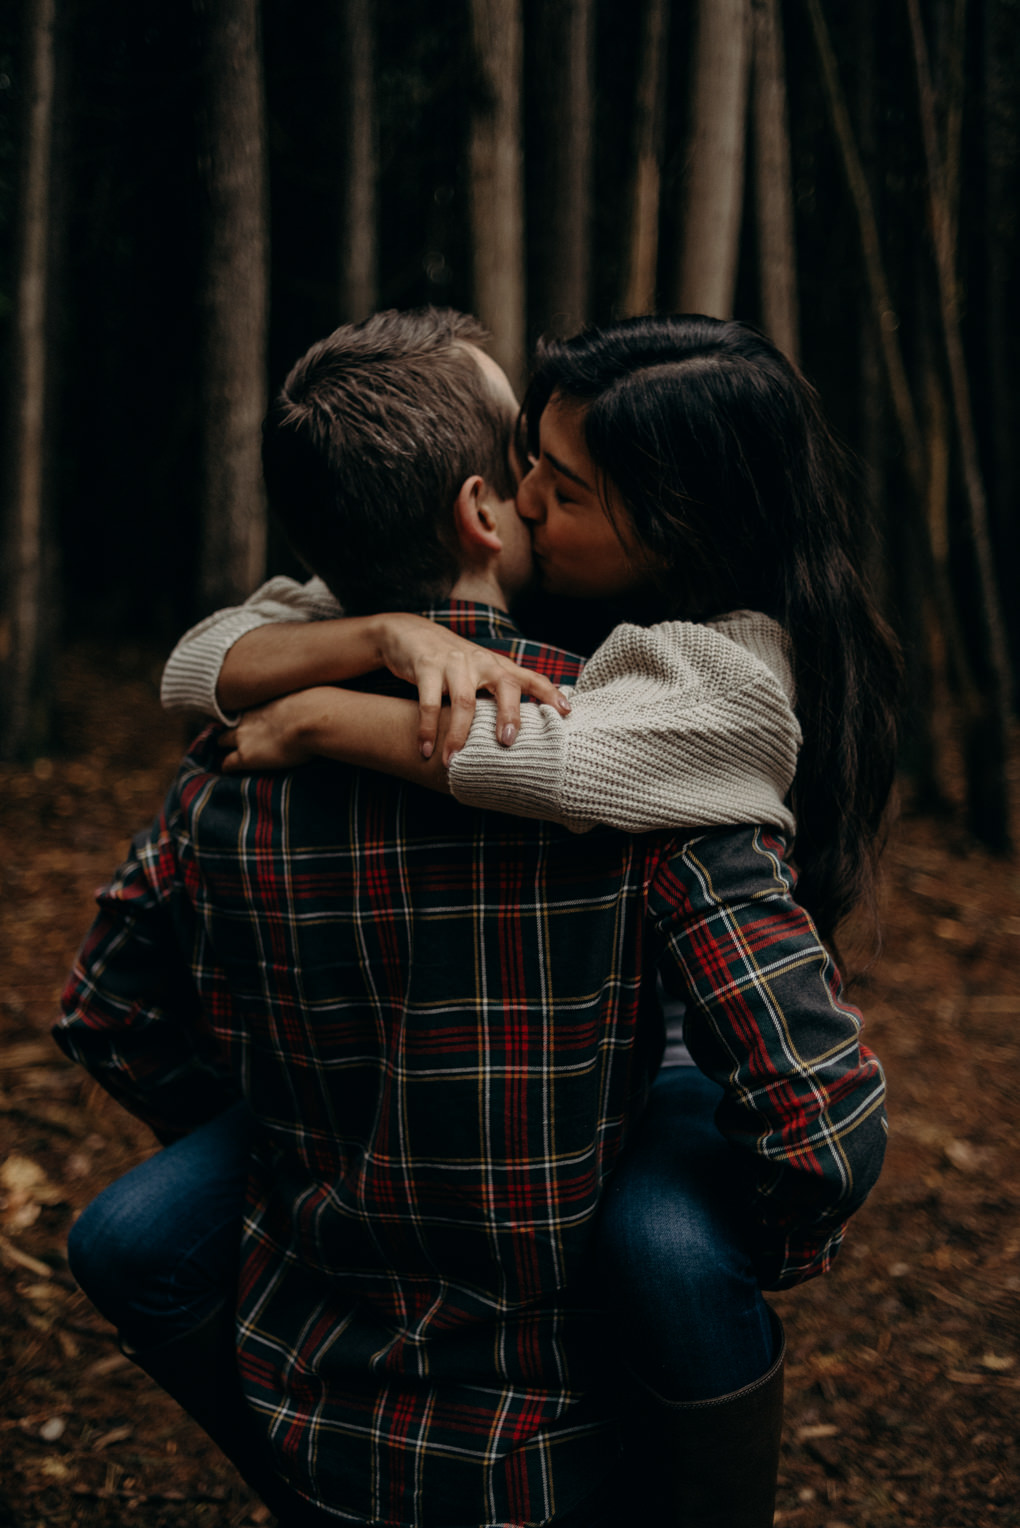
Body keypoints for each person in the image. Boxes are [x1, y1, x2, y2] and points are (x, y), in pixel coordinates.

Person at [58, 309, 889, 1528]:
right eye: (524, 468)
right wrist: (379, 637)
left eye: (564, 486)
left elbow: (571, 761)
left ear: (682, 525)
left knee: (662, 1250)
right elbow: (205, 657)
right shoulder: (441, 620)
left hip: (647, 1071)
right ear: (477, 513)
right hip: (471, 1139)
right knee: (131, 1234)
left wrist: (337, 719)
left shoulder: (708, 688)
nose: (533, 502)